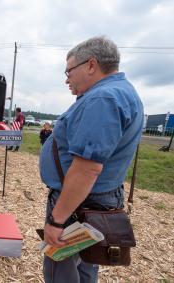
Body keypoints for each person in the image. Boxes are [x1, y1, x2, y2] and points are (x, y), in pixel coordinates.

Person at [39, 36, 144, 282]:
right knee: (86, 263)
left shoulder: (103, 99)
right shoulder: (121, 92)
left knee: (60, 267)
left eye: (69, 70)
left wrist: (57, 220)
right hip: (94, 199)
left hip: (80, 201)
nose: (67, 78)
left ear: (91, 65)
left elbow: (87, 169)